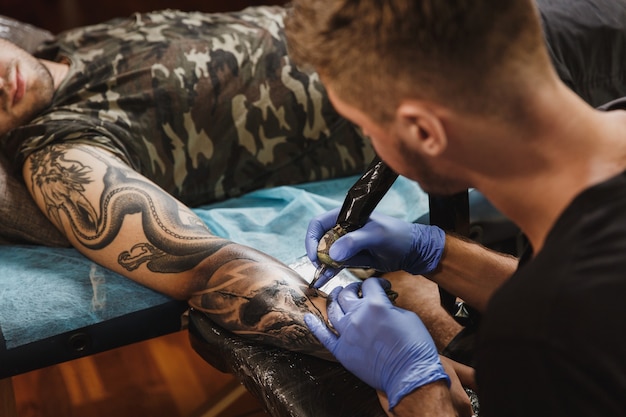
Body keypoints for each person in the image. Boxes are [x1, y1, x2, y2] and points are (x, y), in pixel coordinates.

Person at [285, 0, 626, 416]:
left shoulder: (533, 340)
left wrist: (416, 389)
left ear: (424, 131)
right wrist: (436, 250)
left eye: (367, 128)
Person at [0, 5, 382, 360]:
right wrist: (373, 349)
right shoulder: (56, 155)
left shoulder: (66, 43)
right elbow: (206, 270)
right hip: (387, 85)